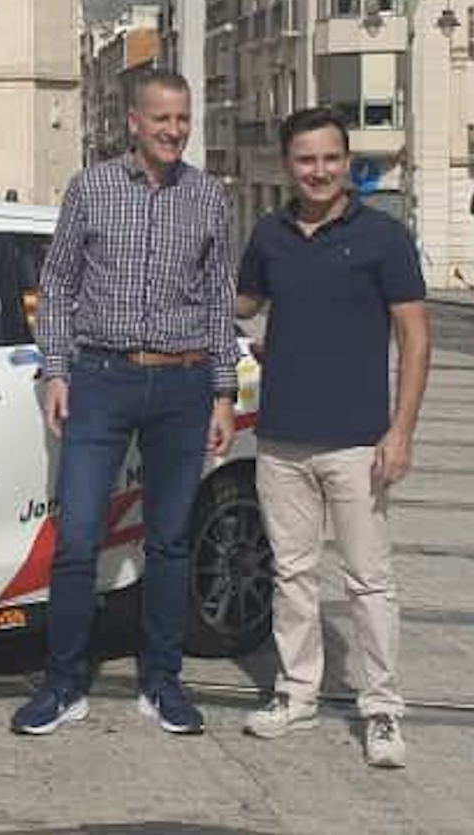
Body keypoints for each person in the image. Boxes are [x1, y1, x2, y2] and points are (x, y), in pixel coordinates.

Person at [12, 69, 239, 738]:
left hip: (183, 384)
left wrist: (223, 392)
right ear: (133, 122)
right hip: (101, 379)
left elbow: (220, 300)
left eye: (183, 119)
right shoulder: (91, 188)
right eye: (162, 119)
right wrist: (57, 370)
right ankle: (62, 683)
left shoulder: (208, 197)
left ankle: (162, 681)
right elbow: (57, 283)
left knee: (169, 541)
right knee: (78, 538)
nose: (174, 130)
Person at [236, 107, 429, 769]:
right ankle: (297, 692)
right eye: (305, 159)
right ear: (287, 165)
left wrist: (400, 431)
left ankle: (381, 708)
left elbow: (415, 337)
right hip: (281, 440)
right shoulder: (269, 234)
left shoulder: (384, 237)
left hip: (358, 442)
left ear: (346, 162)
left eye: (329, 158)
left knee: (369, 580)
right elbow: (241, 304)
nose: (318, 171)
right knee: (291, 575)